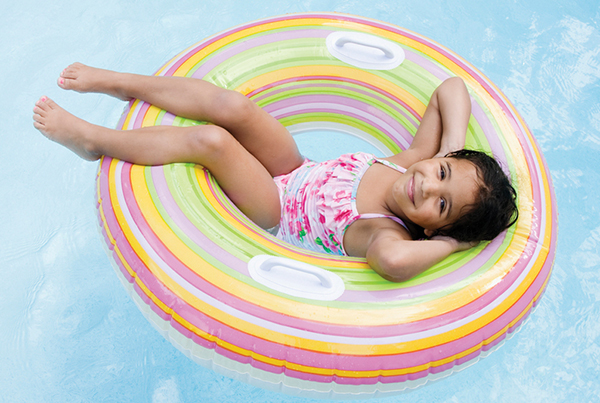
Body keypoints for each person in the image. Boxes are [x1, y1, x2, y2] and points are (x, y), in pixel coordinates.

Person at [33, 63, 518, 282]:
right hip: (296, 169)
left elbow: (392, 266)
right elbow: (449, 88)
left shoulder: (385, 234)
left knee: (213, 141)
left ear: (434, 226)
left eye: (442, 202)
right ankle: (121, 83)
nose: (427, 184)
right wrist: (456, 152)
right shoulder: (412, 164)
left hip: (274, 208)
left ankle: (93, 142)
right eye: (441, 172)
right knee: (233, 106)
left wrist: (449, 243)